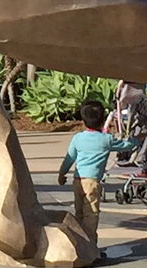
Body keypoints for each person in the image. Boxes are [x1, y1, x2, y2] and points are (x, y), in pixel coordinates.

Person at [56, 99, 137, 244]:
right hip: (92, 182)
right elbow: (127, 145)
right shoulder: (106, 139)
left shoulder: (77, 138)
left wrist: (62, 174)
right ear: (103, 121)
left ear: (83, 121)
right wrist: (136, 139)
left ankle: (79, 243)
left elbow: (69, 158)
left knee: (79, 213)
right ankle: (90, 246)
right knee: (91, 215)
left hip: (78, 180)